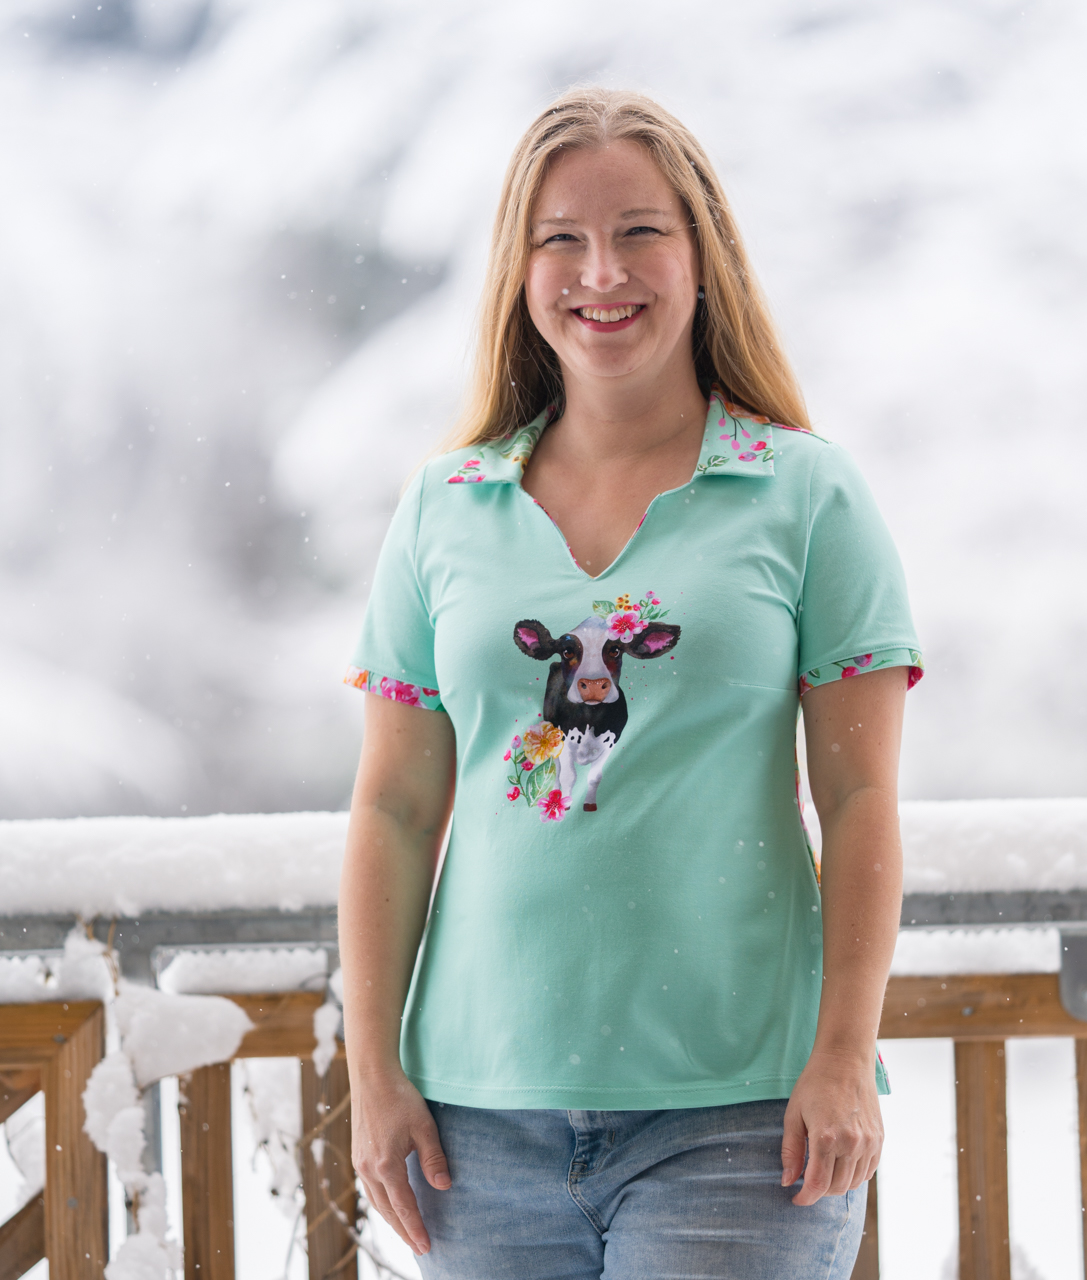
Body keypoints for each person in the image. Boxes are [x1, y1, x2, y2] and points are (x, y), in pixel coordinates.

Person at [338, 86, 922, 1280]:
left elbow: (860, 799)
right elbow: (392, 807)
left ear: (702, 256)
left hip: (742, 1116)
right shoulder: (444, 506)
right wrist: (374, 1071)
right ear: (518, 271)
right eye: (560, 237)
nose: (599, 272)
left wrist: (840, 1055)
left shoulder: (804, 493)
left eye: (638, 231)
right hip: (474, 1126)